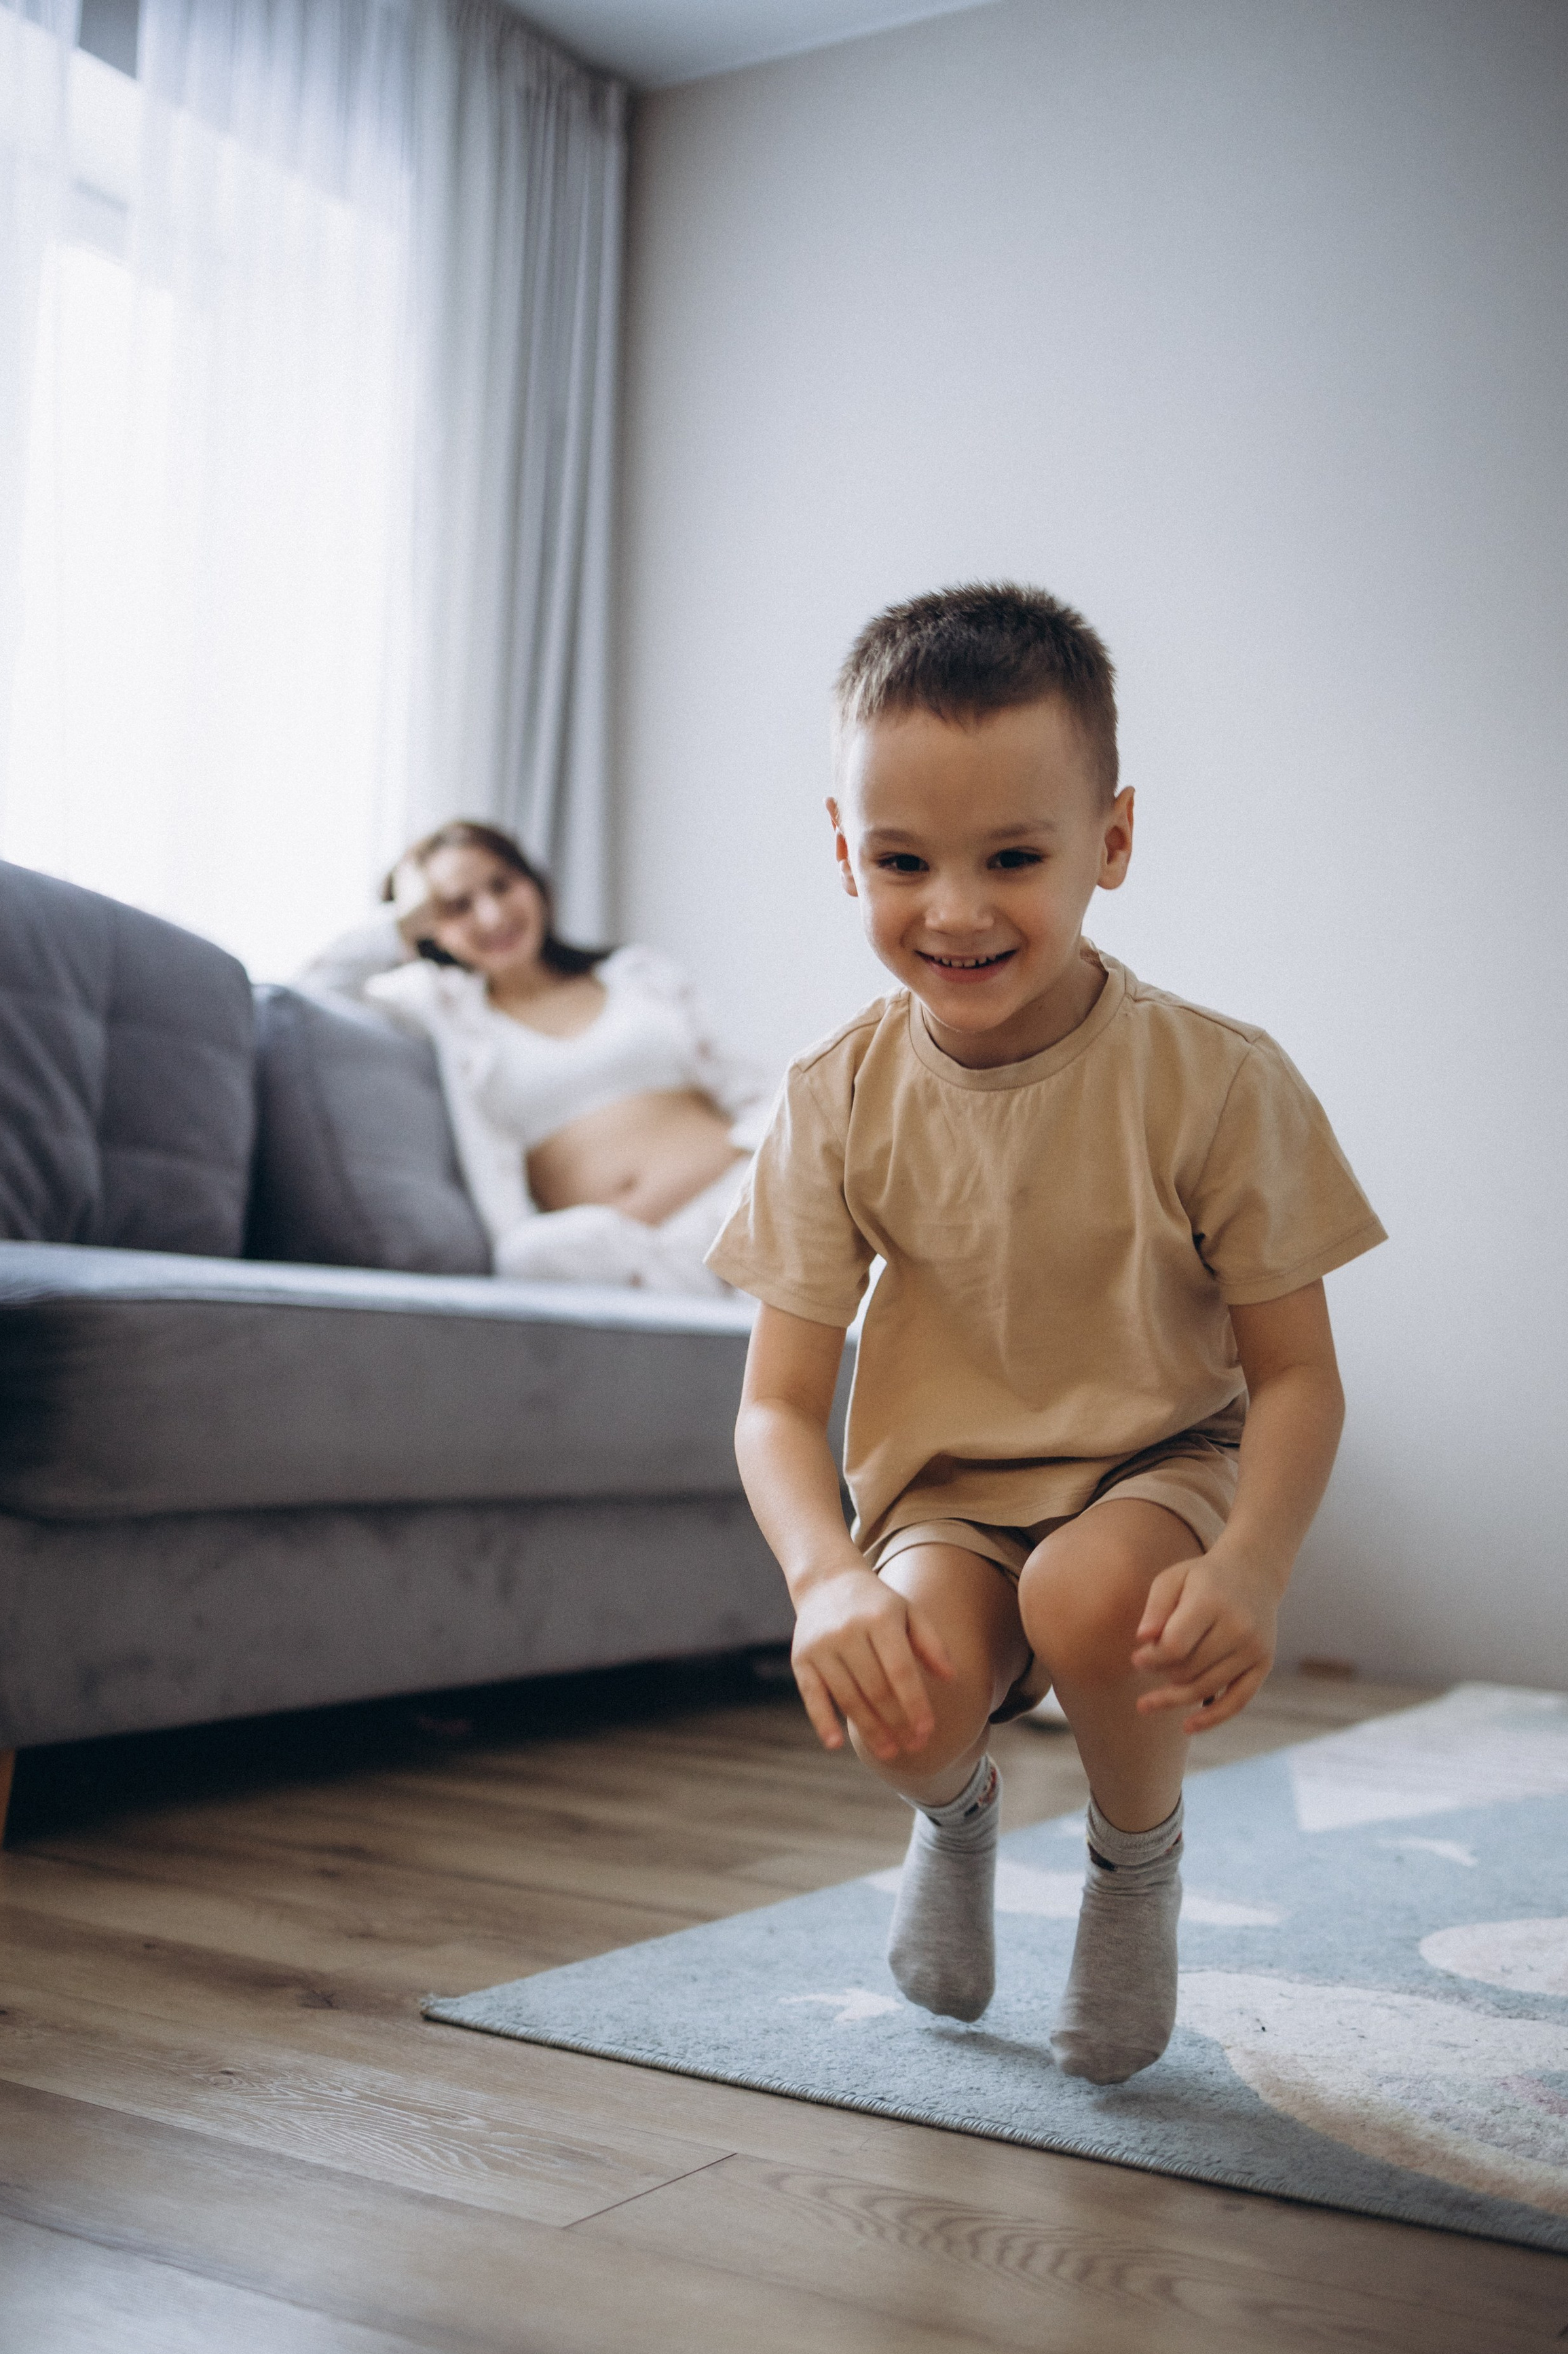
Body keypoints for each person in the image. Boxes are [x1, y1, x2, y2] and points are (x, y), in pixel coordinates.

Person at [709, 583, 1385, 2083]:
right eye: (901, 861)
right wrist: (823, 1578)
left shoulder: (1213, 1080)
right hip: (947, 1490)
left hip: (1152, 1457)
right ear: (844, 855)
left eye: (1011, 857)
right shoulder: (834, 1094)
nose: (953, 909)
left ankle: (1130, 1864)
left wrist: (1251, 1562)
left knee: (1093, 1597)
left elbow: (1294, 1375)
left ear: (1112, 842)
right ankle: (951, 1824)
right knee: (900, 1695)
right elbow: (774, 1406)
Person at [297, 822, 769, 1292]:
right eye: (457, 906)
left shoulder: (639, 975)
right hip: (627, 1253)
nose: (492, 915)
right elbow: (314, 988)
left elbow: (750, 1090)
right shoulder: (445, 1009)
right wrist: (403, 916)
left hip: (740, 1193)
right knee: (525, 1256)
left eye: (502, 885)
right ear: (430, 930)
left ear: (534, 883)